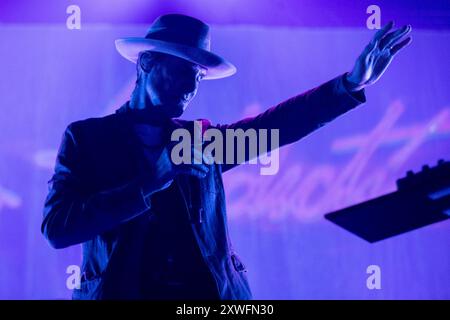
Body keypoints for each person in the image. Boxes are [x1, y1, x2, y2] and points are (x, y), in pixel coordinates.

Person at [42, 14, 411, 300]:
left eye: (198, 76)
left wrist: (349, 84)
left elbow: (275, 127)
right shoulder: (87, 139)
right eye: (182, 71)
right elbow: (58, 228)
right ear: (146, 63)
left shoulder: (198, 140)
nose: (191, 87)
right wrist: (150, 181)